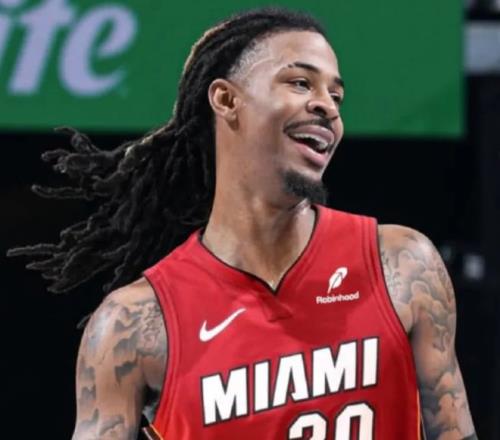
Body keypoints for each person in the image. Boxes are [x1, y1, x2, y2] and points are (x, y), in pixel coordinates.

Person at [9, 7, 477, 440]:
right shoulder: (133, 324)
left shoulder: (402, 264)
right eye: (300, 83)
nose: (328, 106)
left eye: (335, 95)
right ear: (226, 98)